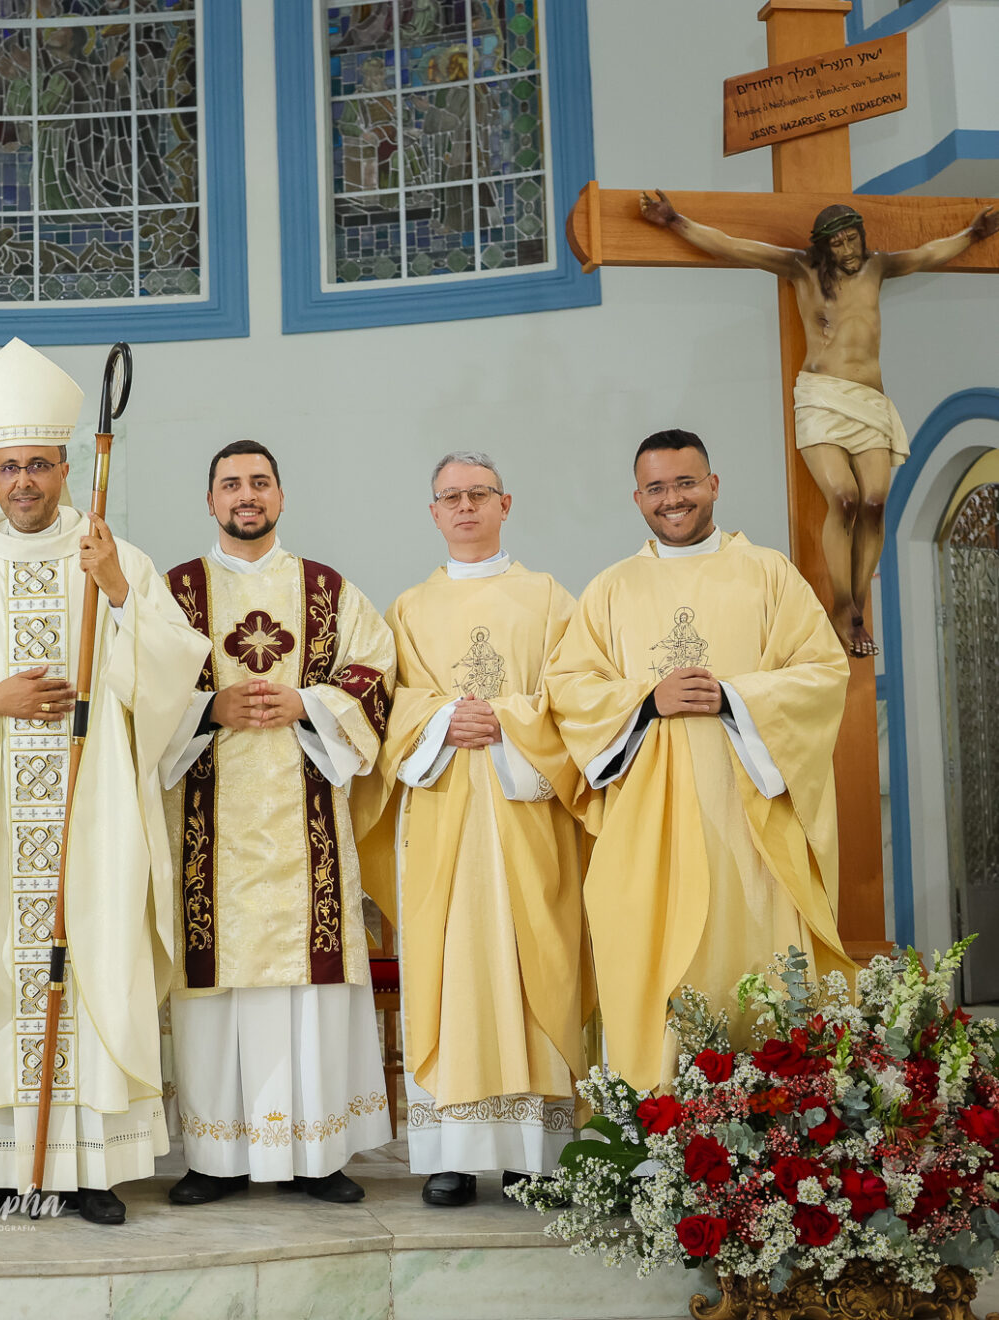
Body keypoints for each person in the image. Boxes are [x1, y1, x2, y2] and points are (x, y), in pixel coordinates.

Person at [0, 338, 209, 1227]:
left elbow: (171, 676)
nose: (23, 481)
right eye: (8, 467)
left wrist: (113, 593)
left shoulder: (117, 557)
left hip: (93, 808)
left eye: (37, 464)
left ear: (66, 466)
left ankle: (87, 1168)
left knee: (96, 964)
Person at [546, 430, 853, 1093]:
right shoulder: (610, 589)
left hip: (750, 822)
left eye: (686, 482)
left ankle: (776, 1117)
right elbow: (569, 689)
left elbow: (823, 672)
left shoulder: (767, 573)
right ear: (637, 498)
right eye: (656, 488)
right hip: (649, 829)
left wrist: (736, 696)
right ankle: (657, 1120)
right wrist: (646, 699)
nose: (672, 499)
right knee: (652, 962)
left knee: (759, 961)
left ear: (713, 485)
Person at [158, 439, 398, 1209]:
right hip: (209, 837)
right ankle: (213, 1157)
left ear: (281, 497)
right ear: (210, 501)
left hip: (307, 837)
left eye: (259, 483)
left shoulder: (328, 590)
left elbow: (374, 671)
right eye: (230, 484)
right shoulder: (174, 594)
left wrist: (307, 703)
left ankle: (318, 1153)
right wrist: (208, 707)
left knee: (308, 987)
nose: (246, 496)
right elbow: (135, 688)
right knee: (214, 991)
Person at [352, 451, 588, 1208]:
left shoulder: (551, 599)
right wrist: (443, 718)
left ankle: (533, 1152)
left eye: (478, 494)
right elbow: (390, 712)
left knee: (532, 964)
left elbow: (576, 699)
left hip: (528, 815)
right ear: (433, 513)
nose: (464, 507)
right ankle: (451, 1152)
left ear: (505, 503)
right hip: (444, 814)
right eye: (449, 497)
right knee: (450, 971)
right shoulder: (410, 609)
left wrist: (511, 720)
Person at [638, 190, 998, 656]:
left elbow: (928, 252)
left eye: (854, 239)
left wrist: (973, 234)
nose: (850, 251)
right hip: (823, 398)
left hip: (869, 401)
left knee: (872, 502)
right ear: (823, 247)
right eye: (840, 243)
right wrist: (674, 221)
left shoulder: (877, 267)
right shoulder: (801, 269)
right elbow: (734, 245)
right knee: (844, 499)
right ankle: (841, 605)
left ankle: (857, 607)